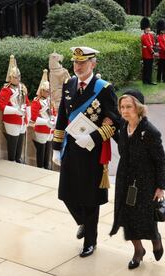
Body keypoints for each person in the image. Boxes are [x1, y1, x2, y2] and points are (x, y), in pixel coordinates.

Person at [51, 47, 121, 257]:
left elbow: (114, 122)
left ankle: (90, 241)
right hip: (71, 149)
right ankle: (83, 223)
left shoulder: (104, 88)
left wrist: (92, 138)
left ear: (93, 64)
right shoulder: (69, 84)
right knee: (66, 194)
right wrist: (56, 147)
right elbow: (62, 118)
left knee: (90, 198)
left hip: (92, 152)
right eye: (75, 62)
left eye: (82, 63)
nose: (77, 66)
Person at [110, 89, 165, 270]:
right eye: (122, 107)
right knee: (126, 216)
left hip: (145, 181)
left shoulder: (150, 132)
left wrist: (160, 186)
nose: (125, 111)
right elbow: (122, 142)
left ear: (139, 108)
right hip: (124, 178)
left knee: (144, 218)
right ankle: (138, 250)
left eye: (129, 107)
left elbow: (160, 160)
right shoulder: (122, 125)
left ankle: (155, 239)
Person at [0, 55, 31, 163]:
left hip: (22, 118)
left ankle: (18, 158)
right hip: (11, 119)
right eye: (16, 77)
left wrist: (27, 115)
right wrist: (16, 111)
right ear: (11, 78)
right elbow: (2, 106)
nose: (18, 79)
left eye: (19, 77)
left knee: (20, 139)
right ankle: (12, 159)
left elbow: (27, 101)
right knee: (13, 141)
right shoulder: (6, 90)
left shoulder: (22, 87)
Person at [30, 69, 56, 169]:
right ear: (42, 91)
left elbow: (53, 112)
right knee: (41, 151)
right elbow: (34, 118)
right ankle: (40, 168)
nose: (48, 93)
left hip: (50, 130)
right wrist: (47, 122)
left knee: (48, 150)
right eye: (46, 91)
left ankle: (46, 167)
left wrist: (53, 119)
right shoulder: (36, 101)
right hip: (41, 129)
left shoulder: (50, 100)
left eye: (49, 91)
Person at [140, 17, 157, 85]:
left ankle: (149, 80)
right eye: (147, 28)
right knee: (146, 67)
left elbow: (153, 43)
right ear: (144, 29)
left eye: (148, 28)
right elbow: (148, 45)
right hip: (146, 54)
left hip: (150, 53)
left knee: (150, 67)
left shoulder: (150, 35)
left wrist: (154, 49)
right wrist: (153, 52)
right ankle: (145, 80)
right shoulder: (143, 36)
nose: (148, 29)